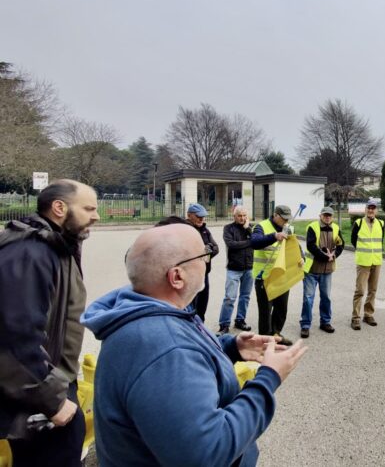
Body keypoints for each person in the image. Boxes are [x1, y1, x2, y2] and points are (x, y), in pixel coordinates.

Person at [80, 224, 307, 467]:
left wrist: (230, 347)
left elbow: (184, 350)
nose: (208, 262)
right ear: (177, 276)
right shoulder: (164, 349)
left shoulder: (152, 310)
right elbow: (207, 454)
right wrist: (269, 378)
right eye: (203, 255)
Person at [0, 179, 99, 467]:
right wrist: (51, 400)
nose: (96, 215)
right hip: (39, 396)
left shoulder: (56, 246)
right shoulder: (31, 252)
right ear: (59, 208)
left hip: (49, 387)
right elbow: (14, 336)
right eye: (89, 208)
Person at [252, 205, 298, 346]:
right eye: (283, 219)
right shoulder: (261, 226)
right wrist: (274, 236)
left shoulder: (288, 228)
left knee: (281, 309)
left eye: (287, 219)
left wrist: (300, 257)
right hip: (264, 278)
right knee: (265, 312)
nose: (285, 222)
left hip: (282, 277)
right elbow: (254, 242)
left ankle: (276, 334)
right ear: (275, 215)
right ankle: (264, 342)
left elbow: (295, 246)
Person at [300, 207, 344, 338]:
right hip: (312, 269)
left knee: (326, 298)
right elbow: (311, 246)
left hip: (327, 270)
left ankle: (325, 322)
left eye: (330, 215)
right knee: (308, 298)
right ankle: (305, 325)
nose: (327, 217)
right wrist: (326, 257)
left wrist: (334, 255)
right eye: (325, 215)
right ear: (320, 215)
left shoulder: (336, 228)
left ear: (332, 216)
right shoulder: (312, 227)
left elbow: (341, 244)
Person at [217, 206, 253, 334]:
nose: (242, 218)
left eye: (244, 215)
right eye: (239, 216)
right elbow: (232, 244)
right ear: (234, 216)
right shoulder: (228, 228)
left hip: (249, 268)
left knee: (245, 297)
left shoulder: (251, 228)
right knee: (229, 298)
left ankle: (240, 320)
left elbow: (256, 240)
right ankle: (224, 324)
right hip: (233, 269)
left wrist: (248, 228)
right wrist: (249, 242)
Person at [350, 199, 384, 330]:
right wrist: (363, 252)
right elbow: (354, 241)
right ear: (365, 209)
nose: (371, 210)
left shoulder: (381, 223)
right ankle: (355, 317)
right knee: (360, 290)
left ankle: (368, 314)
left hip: (376, 260)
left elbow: (381, 241)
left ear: (376, 210)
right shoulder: (358, 223)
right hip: (363, 261)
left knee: (373, 290)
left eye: (373, 208)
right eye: (369, 208)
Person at [186, 203, 220, 321]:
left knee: (202, 304)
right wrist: (205, 250)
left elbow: (216, 248)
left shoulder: (204, 229)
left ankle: (201, 328)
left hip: (204, 273)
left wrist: (205, 251)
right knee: (189, 305)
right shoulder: (185, 230)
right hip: (190, 274)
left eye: (203, 216)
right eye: (198, 216)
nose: (201, 219)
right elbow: (187, 253)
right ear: (189, 215)